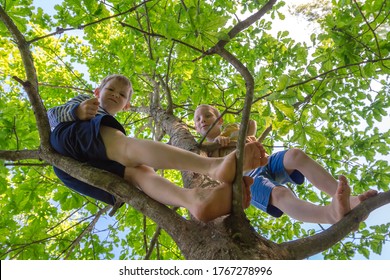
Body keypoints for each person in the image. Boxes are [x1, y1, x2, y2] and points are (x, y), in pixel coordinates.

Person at [48, 74, 266, 223]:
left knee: (140, 172)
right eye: (110, 89)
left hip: (94, 171)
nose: (115, 94)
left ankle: (192, 200)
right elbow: (51, 114)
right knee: (126, 146)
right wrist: (76, 111)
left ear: (127, 106)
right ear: (97, 92)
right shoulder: (86, 105)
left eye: (122, 95)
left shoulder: (108, 127)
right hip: (66, 146)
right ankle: (212, 167)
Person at [194, 104, 378, 224]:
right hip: (245, 179)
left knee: (295, 155)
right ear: (195, 128)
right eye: (198, 120)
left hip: (263, 162)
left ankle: (349, 199)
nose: (202, 120)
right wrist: (217, 143)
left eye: (207, 116)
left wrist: (244, 134)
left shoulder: (230, 129)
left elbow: (251, 123)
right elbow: (214, 171)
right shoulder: (204, 150)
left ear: (219, 120)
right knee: (279, 193)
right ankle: (330, 215)